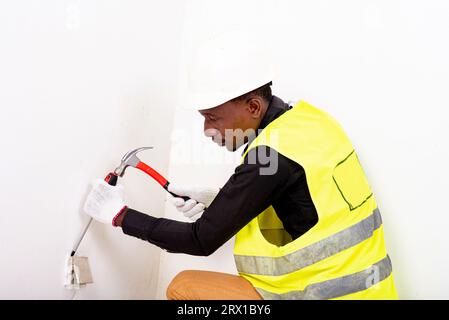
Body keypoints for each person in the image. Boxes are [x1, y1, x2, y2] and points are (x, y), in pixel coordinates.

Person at [83, 30, 398, 300]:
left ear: (253, 106)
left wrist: (120, 215)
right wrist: (222, 199)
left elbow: (199, 240)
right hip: (370, 290)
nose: (207, 130)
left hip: (326, 293)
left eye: (213, 118)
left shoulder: (270, 157)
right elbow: (305, 199)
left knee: (184, 288)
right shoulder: (309, 122)